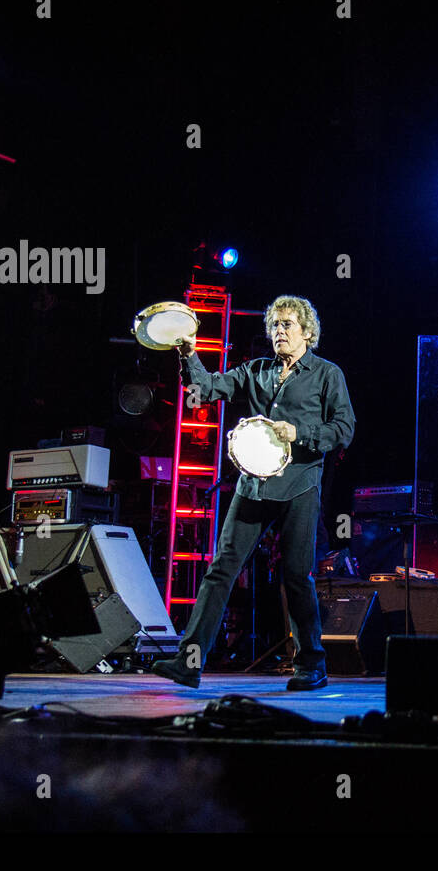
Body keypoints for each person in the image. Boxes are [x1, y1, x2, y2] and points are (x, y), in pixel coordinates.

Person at [152, 296, 355, 690]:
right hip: (254, 484)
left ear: (307, 333)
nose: (279, 331)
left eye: (287, 325)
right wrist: (188, 353)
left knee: (296, 575)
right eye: (275, 325)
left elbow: (344, 429)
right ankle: (188, 661)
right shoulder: (256, 370)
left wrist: (302, 434)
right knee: (221, 569)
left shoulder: (328, 374)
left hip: (300, 484)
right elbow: (207, 389)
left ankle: (312, 665)